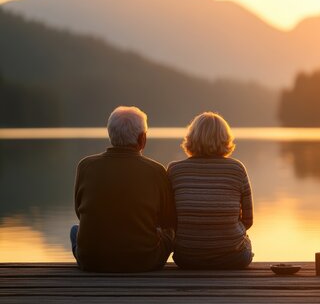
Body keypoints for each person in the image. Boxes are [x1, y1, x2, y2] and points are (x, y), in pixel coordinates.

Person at [71, 106, 176, 272]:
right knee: (169, 231)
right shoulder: (156, 171)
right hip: (143, 261)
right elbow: (167, 220)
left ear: (110, 135)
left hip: (92, 261)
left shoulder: (85, 166)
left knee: (75, 230)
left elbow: (79, 211)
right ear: (142, 139)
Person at [168, 112, 254, 269]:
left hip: (186, 258)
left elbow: (168, 219)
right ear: (225, 138)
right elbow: (248, 221)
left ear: (191, 138)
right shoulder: (237, 169)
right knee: (246, 241)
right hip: (233, 258)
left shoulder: (175, 170)